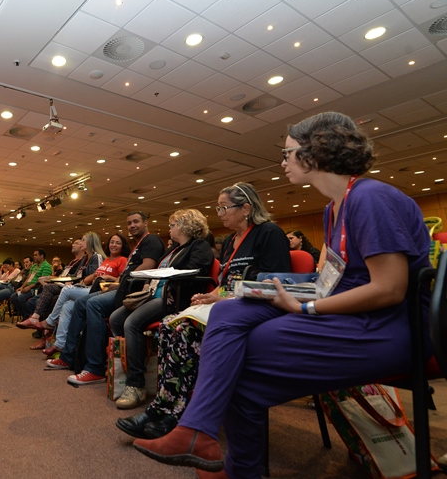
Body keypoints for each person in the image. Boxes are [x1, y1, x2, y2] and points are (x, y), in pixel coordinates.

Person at [131, 112, 431, 479]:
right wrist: (278, 292)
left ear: (316, 151)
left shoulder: (371, 198)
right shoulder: (333, 208)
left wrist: (305, 306)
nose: (283, 161)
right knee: (226, 313)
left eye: (287, 153)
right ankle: (199, 432)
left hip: (385, 326)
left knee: (242, 360)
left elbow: (389, 289)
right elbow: (331, 278)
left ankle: (224, 455)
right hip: (347, 313)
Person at [117, 182, 290, 441]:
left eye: (224, 208)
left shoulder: (269, 233)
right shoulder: (231, 240)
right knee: (168, 324)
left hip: (258, 307)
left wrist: (224, 297)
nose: (220, 213)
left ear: (246, 208)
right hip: (230, 303)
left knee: (183, 329)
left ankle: (177, 414)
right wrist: (212, 295)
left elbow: (273, 283)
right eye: (218, 208)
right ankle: (162, 407)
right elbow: (226, 282)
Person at [109, 209, 215, 410]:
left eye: (172, 225)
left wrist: (168, 275)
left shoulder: (199, 246)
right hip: (153, 295)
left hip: (173, 298)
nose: (170, 229)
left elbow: (196, 272)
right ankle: (142, 361)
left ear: (184, 226)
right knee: (116, 318)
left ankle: (136, 385)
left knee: (131, 323)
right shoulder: (173, 249)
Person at [46, 212, 164, 386]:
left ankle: (95, 369)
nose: (132, 225)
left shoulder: (151, 240)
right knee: (79, 303)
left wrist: (121, 281)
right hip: (121, 288)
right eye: (129, 223)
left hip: (133, 294)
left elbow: (148, 266)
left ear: (146, 223)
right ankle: (68, 357)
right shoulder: (137, 245)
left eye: (136, 222)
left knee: (93, 304)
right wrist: (117, 282)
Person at [36, 232, 123, 355]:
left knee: (65, 290)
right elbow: (93, 275)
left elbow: (121, 280)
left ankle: (49, 322)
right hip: (90, 288)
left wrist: (107, 278)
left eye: (117, 243)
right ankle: (60, 344)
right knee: (67, 306)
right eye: (112, 242)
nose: (113, 245)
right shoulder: (105, 260)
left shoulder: (116, 259)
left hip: (100, 292)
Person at [9, 250, 53, 318]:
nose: (34, 257)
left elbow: (42, 282)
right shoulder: (34, 265)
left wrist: (29, 287)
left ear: (42, 256)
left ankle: (28, 316)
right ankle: (25, 315)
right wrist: (22, 287)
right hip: (28, 286)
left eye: (36, 255)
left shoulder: (46, 266)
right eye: (34, 255)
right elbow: (28, 278)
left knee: (21, 298)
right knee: (13, 297)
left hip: (36, 288)